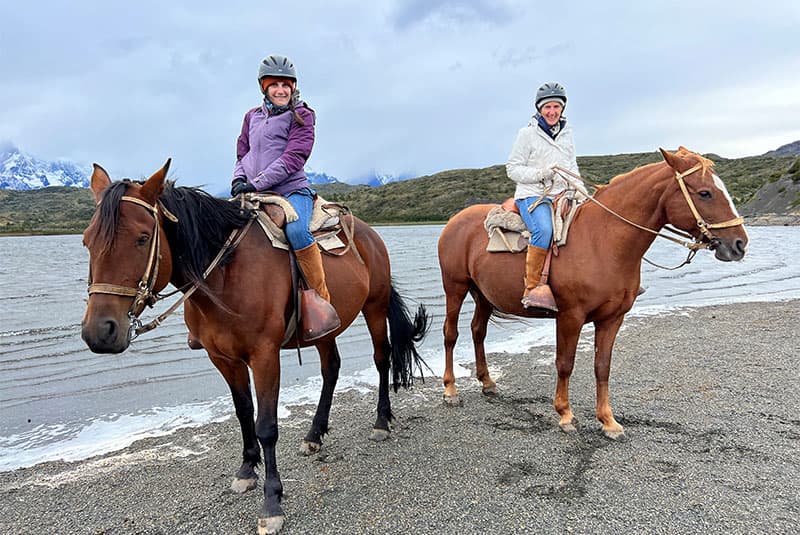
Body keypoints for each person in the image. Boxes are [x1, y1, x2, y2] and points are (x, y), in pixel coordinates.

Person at [231, 54, 338, 336]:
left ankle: (320, 302)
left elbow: (294, 157)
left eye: (286, 85)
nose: (281, 90)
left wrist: (257, 183)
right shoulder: (251, 117)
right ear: (263, 87)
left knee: (298, 231)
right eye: (274, 84)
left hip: (292, 190)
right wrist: (239, 179)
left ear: (293, 87)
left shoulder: (303, 116)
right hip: (254, 189)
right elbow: (243, 152)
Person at [506, 82, 580, 312]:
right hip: (533, 195)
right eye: (547, 107)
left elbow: (572, 166)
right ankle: (532, 288)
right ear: (539, 109)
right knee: (544, 230)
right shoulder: (526, 134)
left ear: (562, 109)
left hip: (563, 193)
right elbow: (512, 168)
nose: (552, 111)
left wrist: (580, 190)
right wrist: (541, 175)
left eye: (556, 106)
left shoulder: (567, 134)